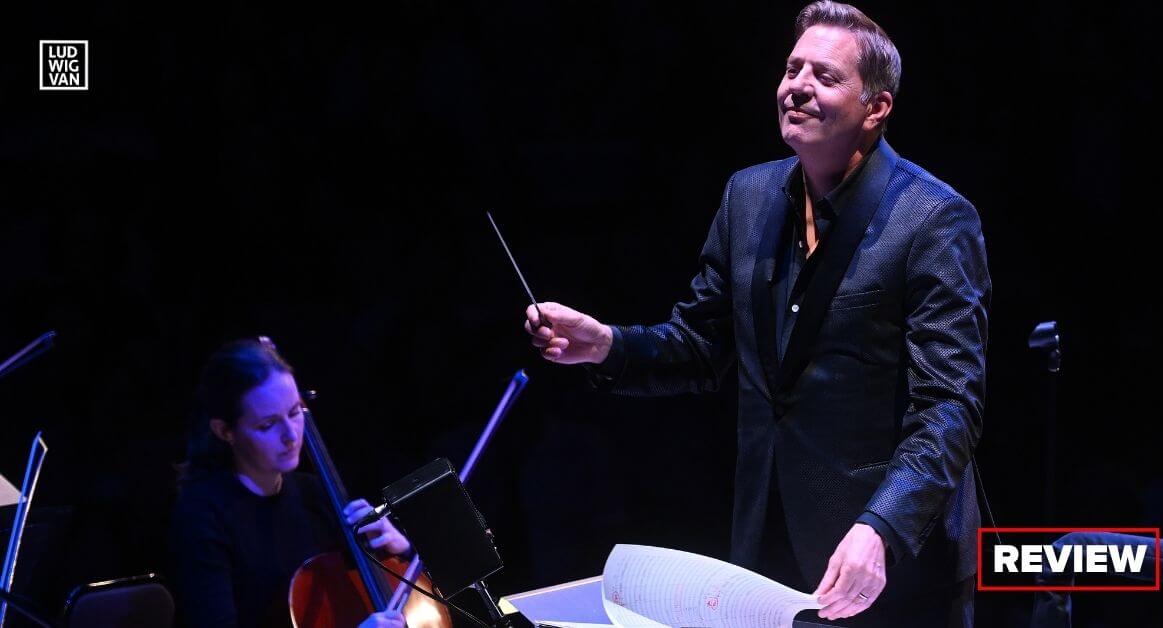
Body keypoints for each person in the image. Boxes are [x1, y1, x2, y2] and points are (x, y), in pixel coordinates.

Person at [523, 2, 989, 626]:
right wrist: (607, 344)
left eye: (825, 76)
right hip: (767, 550)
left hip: (889, 560)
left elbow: (949, 406)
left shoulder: (932, 219)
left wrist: (881, 526)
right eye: (792, 69)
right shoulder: (748, 196)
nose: (797, 86)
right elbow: (702, 345)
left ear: (876, 107)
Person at [170, 339, 410, 628]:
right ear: (225, 431)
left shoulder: (316, 494)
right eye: (268, 424)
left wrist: (400, 551)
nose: (292, 436)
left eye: (295, 412)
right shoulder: (201, 518)